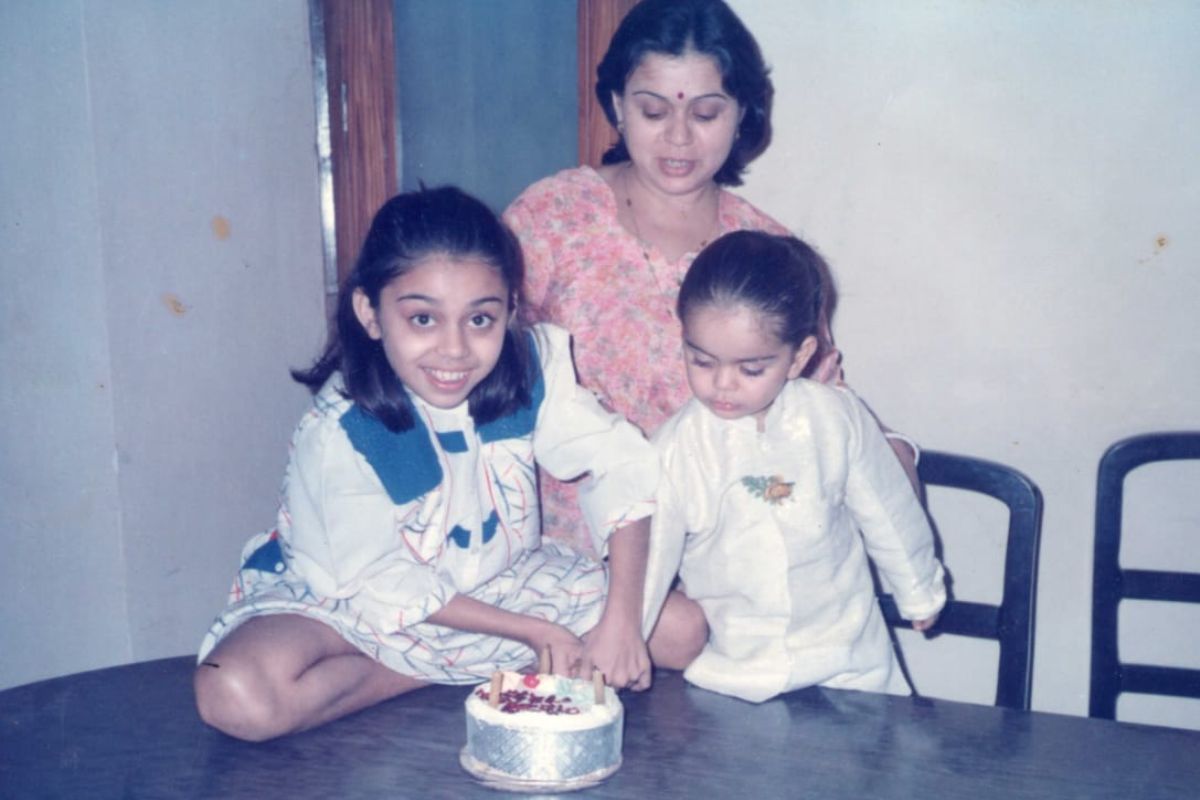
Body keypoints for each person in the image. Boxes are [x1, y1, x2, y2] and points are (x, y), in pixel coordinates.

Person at [503, 0, 919, 669]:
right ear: (615, 105)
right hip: (561, 562)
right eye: (652, 110)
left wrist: (891, 453)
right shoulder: (552, 218)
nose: (678, 139)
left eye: (705, 112)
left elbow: (814, 411)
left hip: (720, 580)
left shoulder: (769, 253)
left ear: (743, 113)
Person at [194, 186, 657, 742]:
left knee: (679, 630)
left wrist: (623, 620)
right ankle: (451, 668)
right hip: (355, 600)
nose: (454, 350)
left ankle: (469, 662)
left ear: (510, 310)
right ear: (370, 312)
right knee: (234, 690)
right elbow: (378, 583)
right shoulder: (345, 428)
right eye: (423, 320)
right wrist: (533, 631)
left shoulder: (532, 371)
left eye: (480, 320)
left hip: (501, 584)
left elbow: (622, 465)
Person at [642, 230, 946, 703]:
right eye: (701, 361)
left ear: (799, 356)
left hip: (852, 666)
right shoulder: (676, 447)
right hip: (733, 674)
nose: (722, 385)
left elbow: (887, 508)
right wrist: (628, 636)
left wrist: (919, 590)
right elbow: (651, 557)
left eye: (751, 369)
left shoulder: (834, 417)